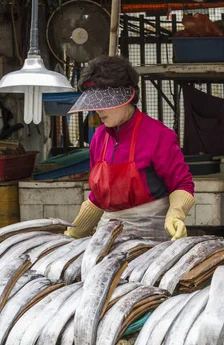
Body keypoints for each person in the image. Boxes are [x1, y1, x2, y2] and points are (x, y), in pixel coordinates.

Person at [64, 56, 195, 241]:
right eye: (95, 102)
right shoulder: (99, 138)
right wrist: (74, 232)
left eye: (106, 102)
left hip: (152, 234)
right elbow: (98, 197)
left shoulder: (158, 135)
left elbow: (182, 184)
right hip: (108, 233)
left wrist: (175, 215)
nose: (99, 110)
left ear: (128, 96)